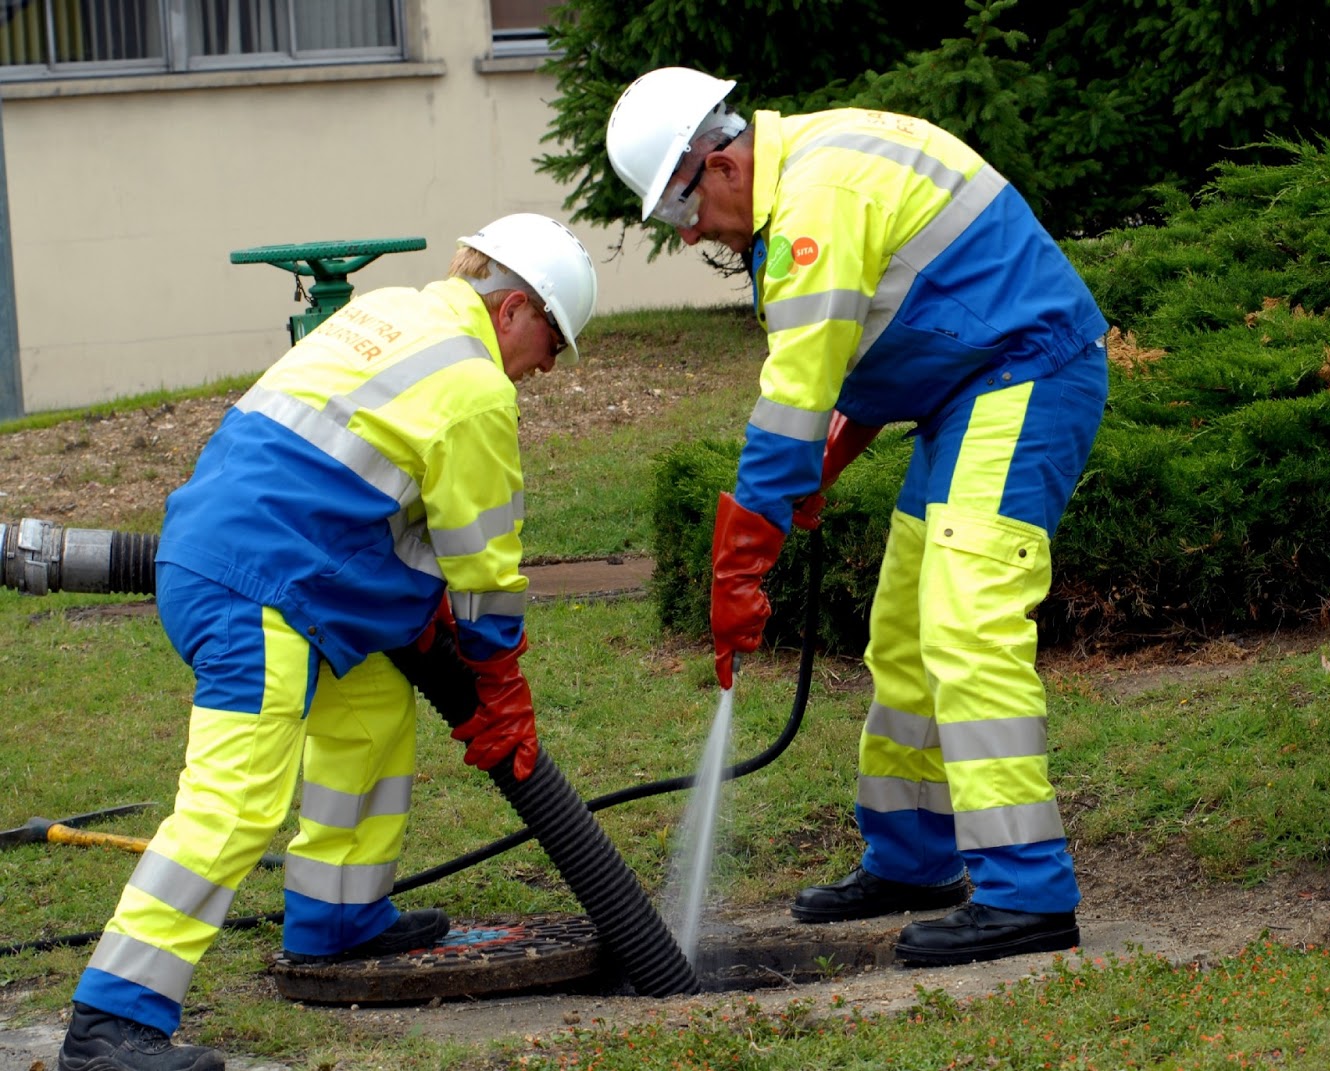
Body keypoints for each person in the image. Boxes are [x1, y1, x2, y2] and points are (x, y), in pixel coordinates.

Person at [57, 213, 599, 1071]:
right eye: (553, 342)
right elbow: (484, 566)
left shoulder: (389, 313)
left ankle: (337, 920)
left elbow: (355, 477)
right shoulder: (474, 384)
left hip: (254, 564)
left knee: (372, 721)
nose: (546, 368)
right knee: (235, 802)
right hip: (261, 592)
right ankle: (110, 1019)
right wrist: (498, 681)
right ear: (516, 309)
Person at [607, 68, 1110, 967]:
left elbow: (792, 397)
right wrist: (824, 463)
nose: (694, 241)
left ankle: (1026, 889)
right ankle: (914, 859)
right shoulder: (810, 163)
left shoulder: (812, 204)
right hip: (964, 391)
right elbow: (888, 325)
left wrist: (741, 559)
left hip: (1023, 377)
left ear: (718, 165)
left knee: (967, 627)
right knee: (906, 635)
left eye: (687, 218)